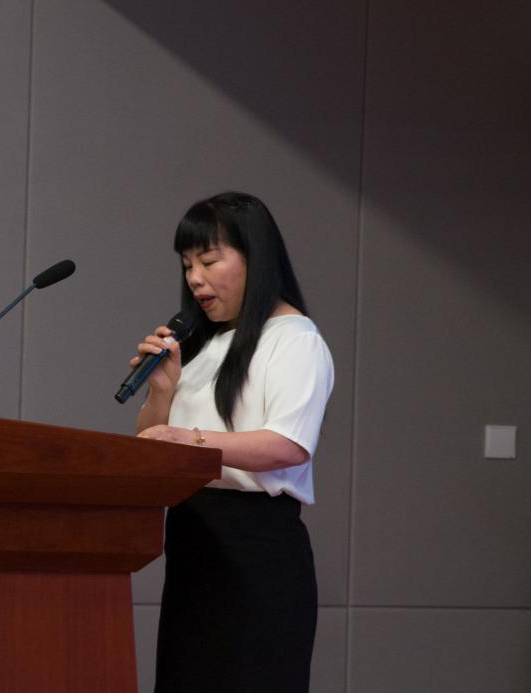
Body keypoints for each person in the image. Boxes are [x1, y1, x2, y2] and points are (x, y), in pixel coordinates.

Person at [131, 192, 334, 692]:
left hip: (255, 551)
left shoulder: (295, 339)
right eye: (187, 265)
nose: (194, 278)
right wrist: (162, 392)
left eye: (208, 260)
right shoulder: (206, 344)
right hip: (193, 542)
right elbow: (153, 445)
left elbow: (288, 445)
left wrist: (189, 439)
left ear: (254, 258)